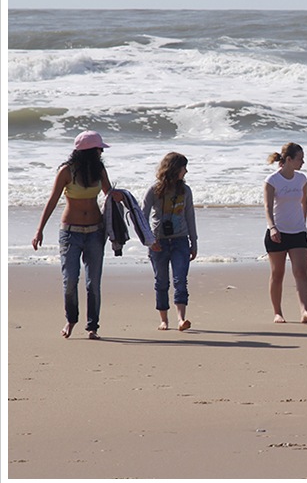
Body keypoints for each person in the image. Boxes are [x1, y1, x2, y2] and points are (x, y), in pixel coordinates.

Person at [31, 130, 120, 340]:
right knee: (70, 280)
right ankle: (71, 320)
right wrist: (39, 229)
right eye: (99, 149)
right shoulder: (66, 171)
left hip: (95, 232)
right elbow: (52, 200)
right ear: (89, 151)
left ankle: (93, 327)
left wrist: (125, 201)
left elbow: (109, 194)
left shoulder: (99, 170)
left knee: (93, 282)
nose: (101, 152)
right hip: (70, 233)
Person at [142, 152, 198, 331]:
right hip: (159, 242)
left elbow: (190, 217)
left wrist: (193, 242)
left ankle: (181, 319)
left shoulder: (185, 190)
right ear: (174, 169)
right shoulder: (154, 190)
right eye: (183, 168)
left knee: (180, 279)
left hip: (180, 240)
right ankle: (164, 320)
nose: (186, 171)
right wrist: (149, 240)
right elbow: (141, 217)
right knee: (161, 281)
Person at [264, 143, 307, 324]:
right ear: (288, 159)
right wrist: (272, 227)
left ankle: (304, 311)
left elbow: (304, 203)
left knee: (301, 271)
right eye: (300, 158)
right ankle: (278, 313)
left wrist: (303, 223)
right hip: (278, 232)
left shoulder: (301, 179)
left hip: (298, 232)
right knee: (277, 273)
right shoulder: (272, 180)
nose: (303, 162)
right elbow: (267, 207)